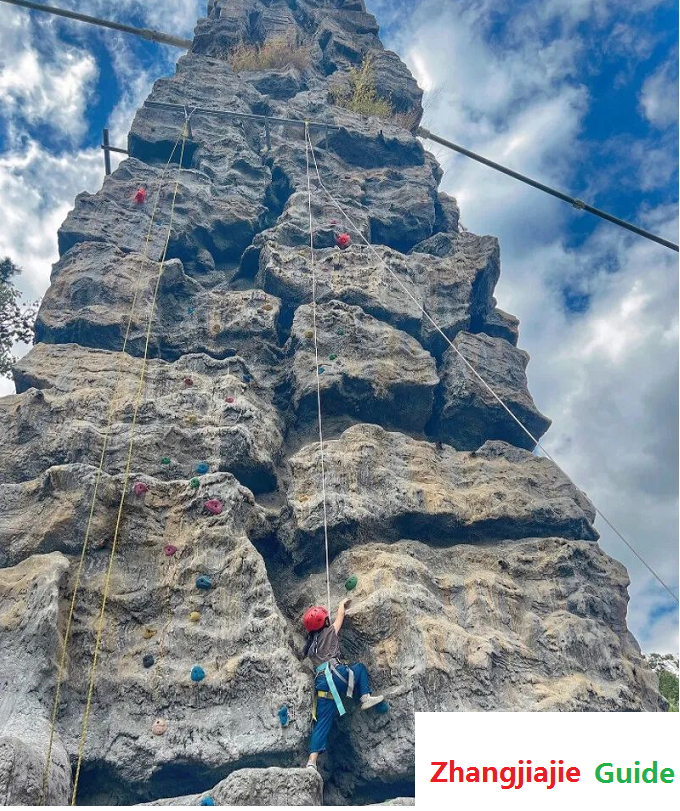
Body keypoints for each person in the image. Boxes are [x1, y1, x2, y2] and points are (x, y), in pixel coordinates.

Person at [302, 599, 384, 770]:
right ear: (324, 622)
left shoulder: (310, 648)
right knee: (359, 668)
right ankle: (365, 697)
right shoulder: (330, 632)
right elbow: (340, 616)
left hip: (323, 686)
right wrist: (341, 604)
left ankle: (311, 762)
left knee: (322, 724)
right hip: (337, 675)